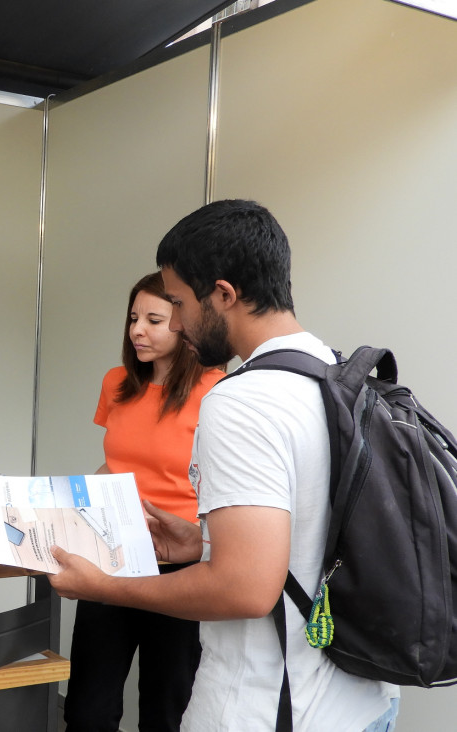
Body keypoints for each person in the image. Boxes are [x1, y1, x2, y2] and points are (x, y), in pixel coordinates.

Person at [49, 200, 400, 731]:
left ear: (223, 295)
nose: (179, 324)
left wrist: (104, 587)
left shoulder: (239, 401)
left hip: (273, 707)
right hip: (360, 700)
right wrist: (201, 541)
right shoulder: (341, 376)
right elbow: (307, 533)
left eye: (178, 304)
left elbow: (244, 588)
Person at [65, 272, 222, 732]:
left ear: (184, 323)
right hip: (112, 556)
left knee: (166, 707)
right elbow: (114, 467)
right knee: (87, 708)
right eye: (134, 318)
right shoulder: (117, 382)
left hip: (181, 565)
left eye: (154, 319)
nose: (138, 330)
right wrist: (65, 503)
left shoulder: (216, 390)